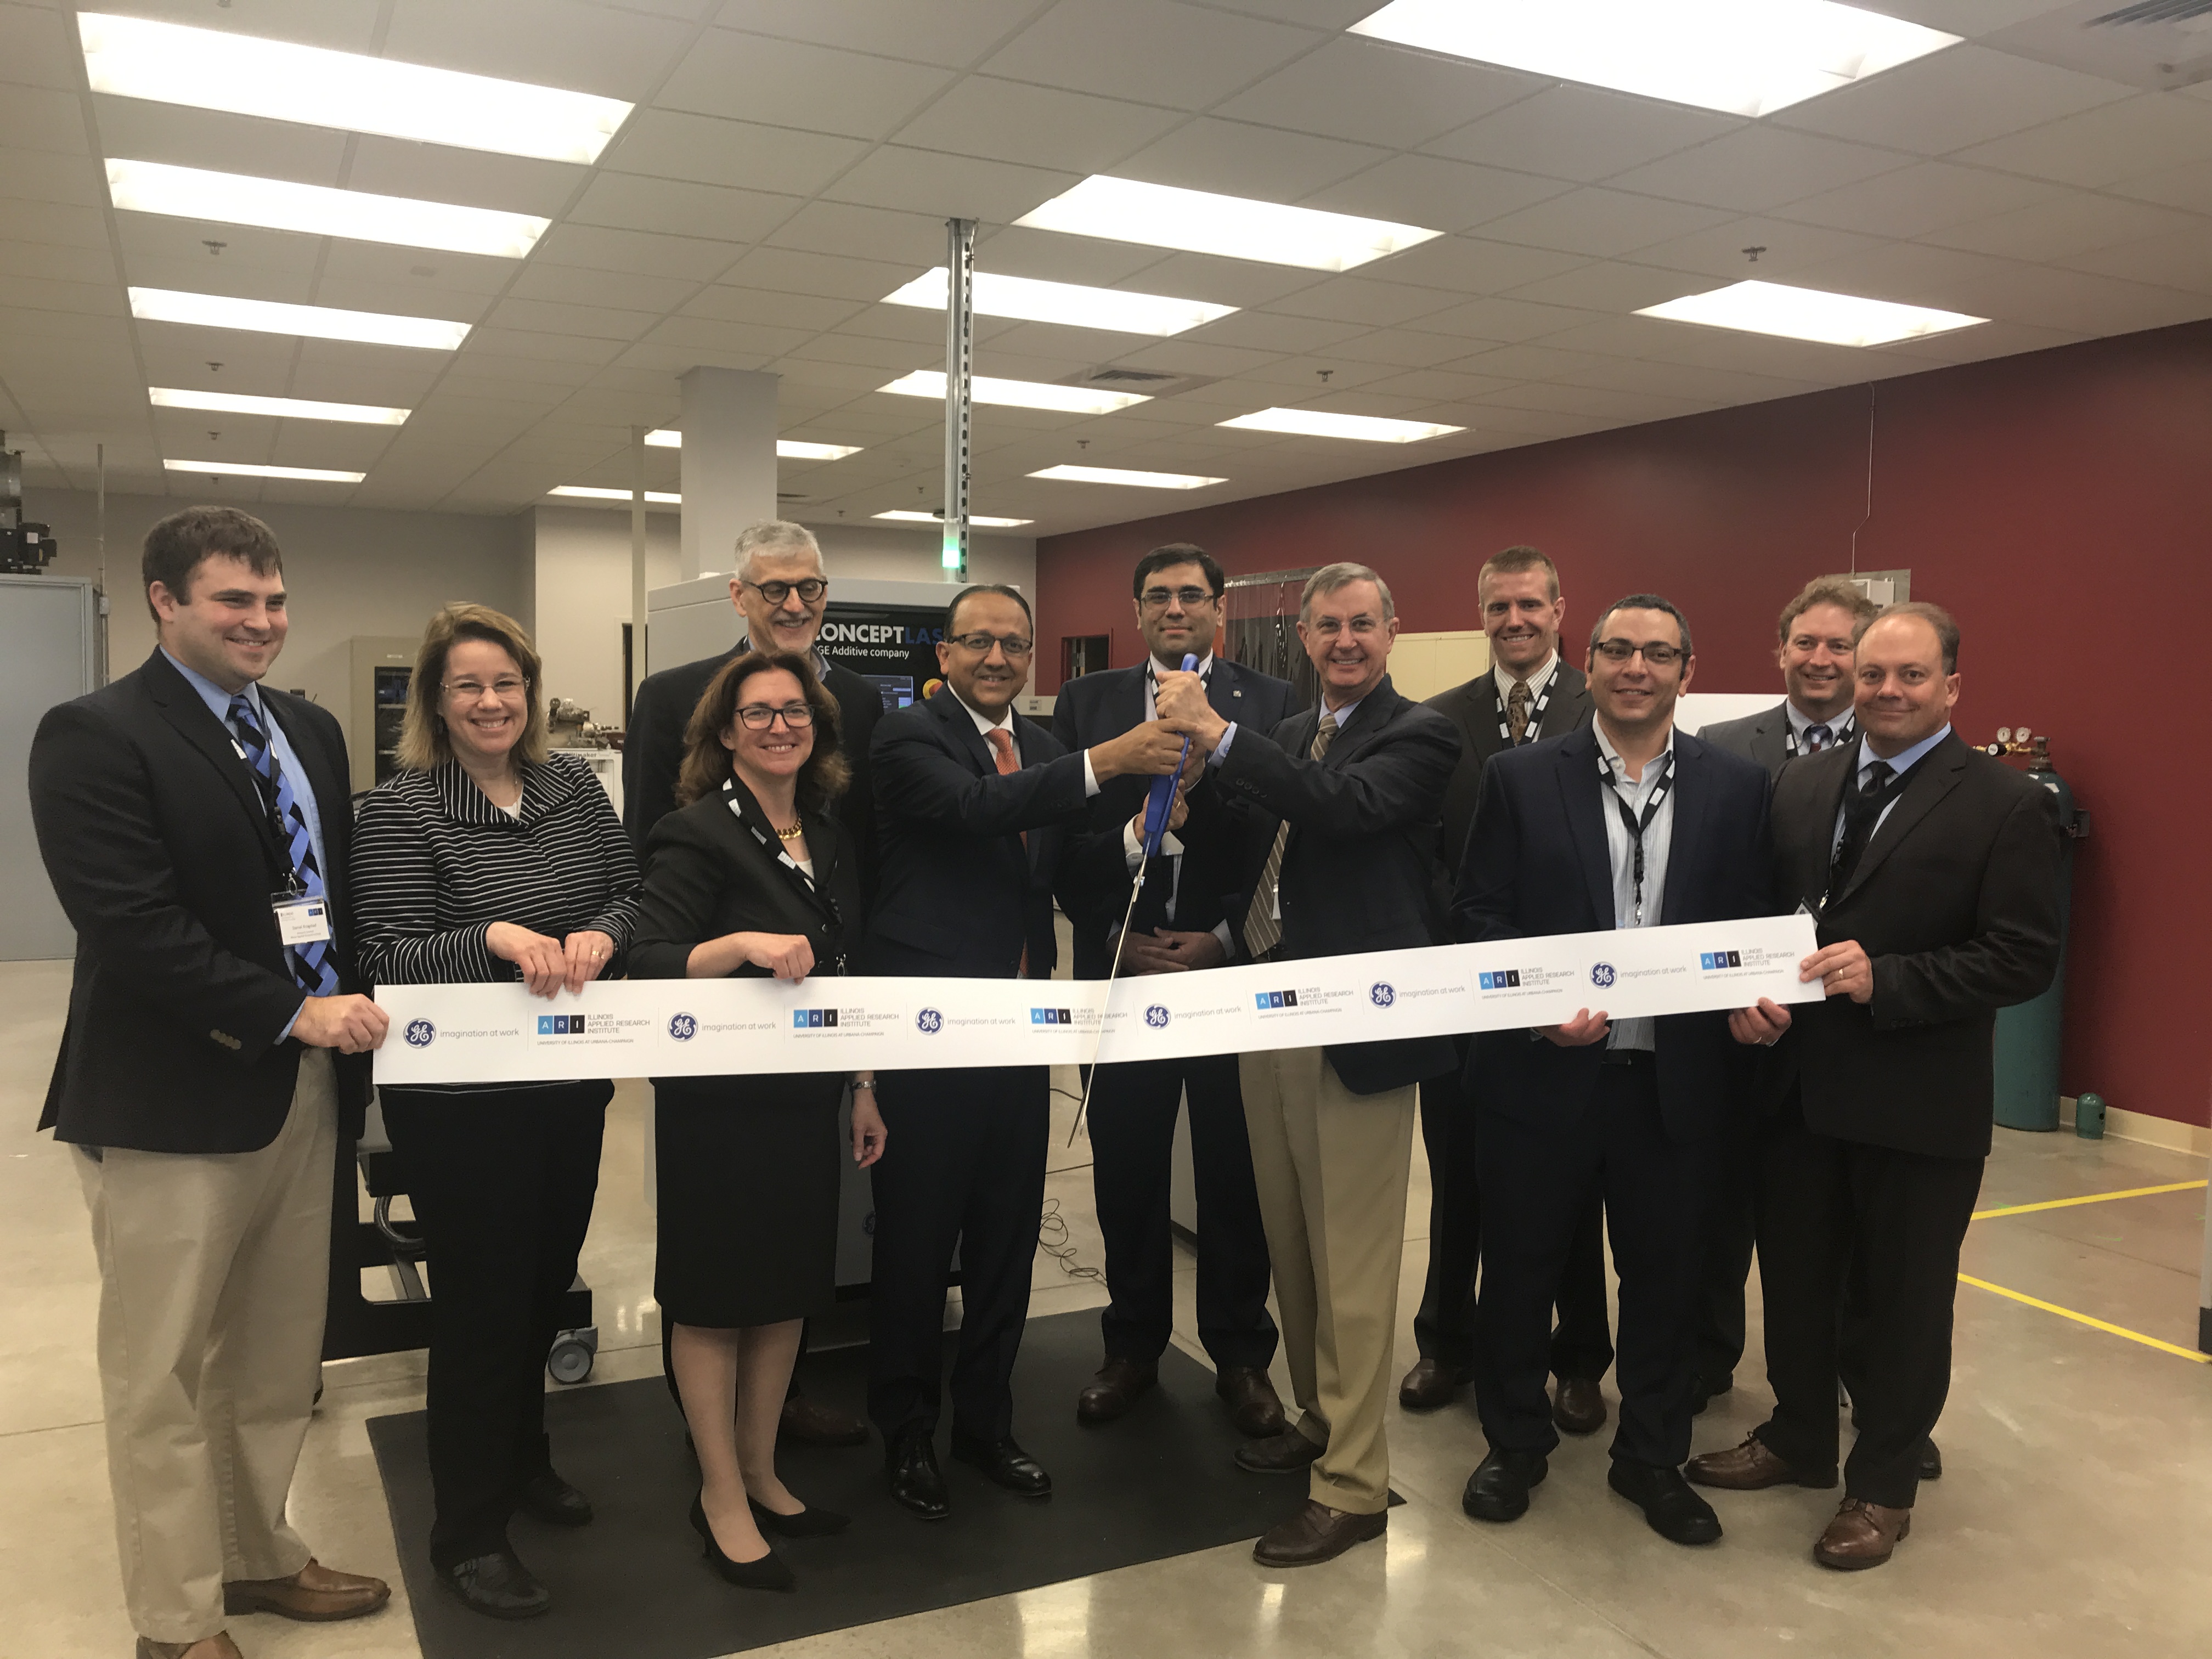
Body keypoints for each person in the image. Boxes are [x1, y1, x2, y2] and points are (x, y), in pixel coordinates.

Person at [28, 506, 393, 1659]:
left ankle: (255, 1555)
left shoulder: (309, 730)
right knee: (164, 1376)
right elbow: (134, 927)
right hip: (169, 1105)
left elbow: (329, 900)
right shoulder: (95, 734)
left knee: (277, 1356)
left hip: (306, 1090)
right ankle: (176, 1623)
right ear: (165, 601)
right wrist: (292, 1010)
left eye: (276, 601)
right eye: (235, 601)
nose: (263, 623)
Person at [1688, 603, 2062, 1570]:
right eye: (1873, 675)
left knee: (1902, 1303)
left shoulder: (2005, 803)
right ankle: (1801, 1435)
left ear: (1951, 688)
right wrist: (1747, 997)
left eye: (1911, 676)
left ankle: (1884, 1483)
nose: (1887, 692)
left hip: (1917, 1103)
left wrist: (1888, 978)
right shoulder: (1803, 785)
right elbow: (1767, 920)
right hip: (1798, 1090)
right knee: (1800, 1284)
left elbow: (2023, 960)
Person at [1154, 562, 1458, 1568]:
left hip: (1360, 1030)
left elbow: (1342, 809)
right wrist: (1196, 792)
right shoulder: (1289, 733)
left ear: (1393, 629)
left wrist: (1217, 736)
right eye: (1326, 627)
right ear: (1303, 635)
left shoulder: (1421, 735)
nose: (1344, 642)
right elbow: (1264, 839)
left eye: (1362, 624)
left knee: (1358, 1263)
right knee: (1293, 1244)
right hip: (1271, 1007)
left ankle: (1356, 1485)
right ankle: (1323, 1422)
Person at [1454, 595, 1773, 1548]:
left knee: (1667, 1281)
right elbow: (1477, 917)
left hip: (1672, 1086)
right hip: (1543, 1079)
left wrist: (1755, 1001)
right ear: (1587, 663)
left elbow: (1751, 926)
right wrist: (1534, 1010)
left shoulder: (1737, 787)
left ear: (1687, 670)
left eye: (1658, 653)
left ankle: (1651, 1457)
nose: (1638, 667)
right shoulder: (1517, 778)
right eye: (1619, 650)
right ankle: (1514, 1444)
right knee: (1518, 1270)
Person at [862, 583, 1186, 1520]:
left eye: (1014, 643)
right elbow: (974, 809)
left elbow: (1069, 869)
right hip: (928, 1032)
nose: (998, 658)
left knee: (1006, 1240)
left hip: (1019, 1031)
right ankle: (909, 1433)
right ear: (947, 656)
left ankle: (986, 1425)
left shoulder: (1043, 749)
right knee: (919, 1247)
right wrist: (1108, 762)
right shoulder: (910, 738)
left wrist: (1136, 834)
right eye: (978, 643)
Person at [352, 603, 643, 1620]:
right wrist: (501, 938)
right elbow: (385, 958)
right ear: (437, 701)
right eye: (468, 686)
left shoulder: (572, 787)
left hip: (569, 1081)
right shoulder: (399, 810)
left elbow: (627, 891)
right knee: (481, 1309)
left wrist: (601, 935)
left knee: (540, 1284)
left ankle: (525, 1464)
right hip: (462, 1102)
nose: (491, 702)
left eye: (507, 684)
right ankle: (466, 1534)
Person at [630, 649, 888, 1593]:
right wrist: (736, 944)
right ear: (725, 731)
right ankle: (719, 1494)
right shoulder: (694, 832)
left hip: (805, 1096)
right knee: (714, 1298)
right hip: (719, 1106)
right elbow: (647, 958)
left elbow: (846, 971)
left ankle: (763, 1470)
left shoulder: (828, 833)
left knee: (785, 1291)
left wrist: (862, 1083)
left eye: (796, 712)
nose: (780, 726)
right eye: (759, 713)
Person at [1051, 543, 1294, 1438]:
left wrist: (1225, 940)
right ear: (1138, 610)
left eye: (1194, 595)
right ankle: (1133, 1348)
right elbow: (1061, 836)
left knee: (1237, 1172)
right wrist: (1107, 928)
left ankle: (1240, 1355)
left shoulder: (1270, 706)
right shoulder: (1089, 704)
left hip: (1224, 978)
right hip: (1121, 973)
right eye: (1159, 596)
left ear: (1220, 611)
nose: (1176, 608)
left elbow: (1280, 842)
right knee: (1126, 1168)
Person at [1403, 543, 1613, 1435]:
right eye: (1500, 608)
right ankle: (1447, 1343)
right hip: (1465, 987)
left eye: (1532, 605)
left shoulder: (1601, 708)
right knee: (1458, 1178)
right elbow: (1427, 858)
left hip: (1575, 1002)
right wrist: (1481, 955)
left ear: (1562, 610)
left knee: (1571, 1186)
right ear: (1481, 613)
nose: (1516, 621)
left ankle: (1577, 1362)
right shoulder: (1438, 721)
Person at [1694, 577, 1881, 1414]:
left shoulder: (1898, 754)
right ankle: (1704, 1364)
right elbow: (1705, 887)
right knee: (1720, 1209)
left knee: (1848, 1226)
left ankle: (1859, 1388)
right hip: (1740, 1024)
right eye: (1805, 642)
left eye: (1840, 645)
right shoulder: (1722, 748)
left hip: (1856, 1030)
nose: (1820, 658)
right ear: (1780, 651)